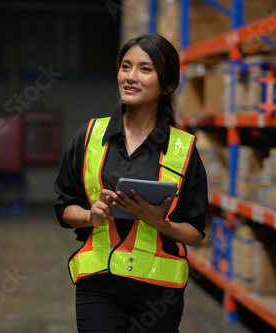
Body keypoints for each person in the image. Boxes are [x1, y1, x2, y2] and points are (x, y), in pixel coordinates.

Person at [54, 33, 208, 333]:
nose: (131, 77)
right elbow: (64, 206)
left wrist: (159, 222)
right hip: (98, 282)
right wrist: (90, 216)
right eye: (126, 67)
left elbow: (195, 233)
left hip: (158, 290)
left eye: (145, 69)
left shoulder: (183, 149)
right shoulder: (89, 136)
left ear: (168, 85)